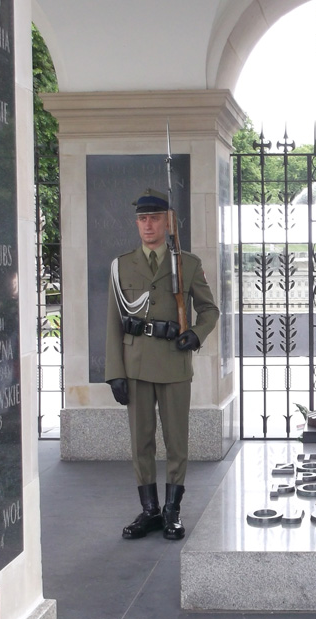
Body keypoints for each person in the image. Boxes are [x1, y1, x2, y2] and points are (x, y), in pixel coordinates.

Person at [105, 188, 220, 540]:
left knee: (176, 441)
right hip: (136, 365)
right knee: (141, 441)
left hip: (173, 364)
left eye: (154, 218)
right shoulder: (122, 265)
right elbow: (113, 320)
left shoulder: (188, 264)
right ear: (136, 223)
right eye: (142, 219)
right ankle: (149, 510)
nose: (148, 225)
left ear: (167, 222)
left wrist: (196, 335)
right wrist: (115, 374)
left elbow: (209, 310)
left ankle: (172, 511)